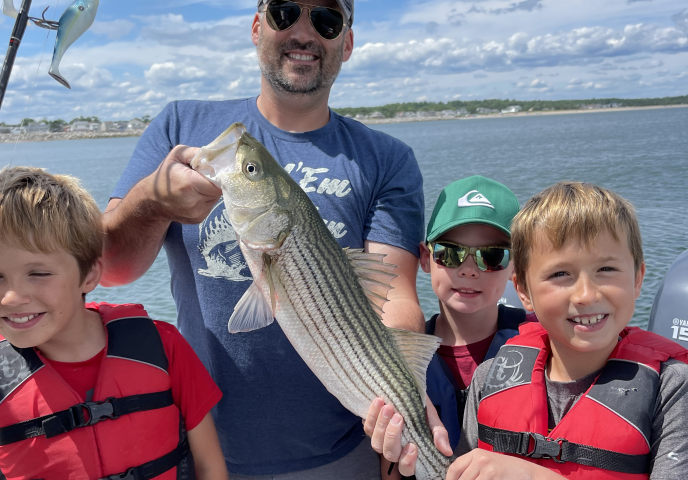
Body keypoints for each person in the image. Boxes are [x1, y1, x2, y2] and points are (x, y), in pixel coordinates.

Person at [101, 0, 426, 478]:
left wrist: (408, 404)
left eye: (326, 20)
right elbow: (110, 268)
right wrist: (152, 200)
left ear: (347, 42)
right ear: (257, 27)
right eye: (284, 12)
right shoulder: (180, 127)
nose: (303, 31)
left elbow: (394, 296)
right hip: (200, 448)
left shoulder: (387, 158)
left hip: (340, 455)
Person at [383, 181, 688, 478]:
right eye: (560, 273)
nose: (586, 294)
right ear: (524, 290)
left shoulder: (671, 388)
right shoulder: (489, 377)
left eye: (606, 269)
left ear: (638, 278)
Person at [0, 167, 228, 480]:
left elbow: (210, 466)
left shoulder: (164, 347)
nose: (12, 297)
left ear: (90, 273)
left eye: (38, 273)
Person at [365, 176, 525, 478]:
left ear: (515, 265)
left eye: (491, 256)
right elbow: (391, 470)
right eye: (449, 253)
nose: (468, 269)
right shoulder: (404, 356)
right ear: (426, 258)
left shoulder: (540, 342)